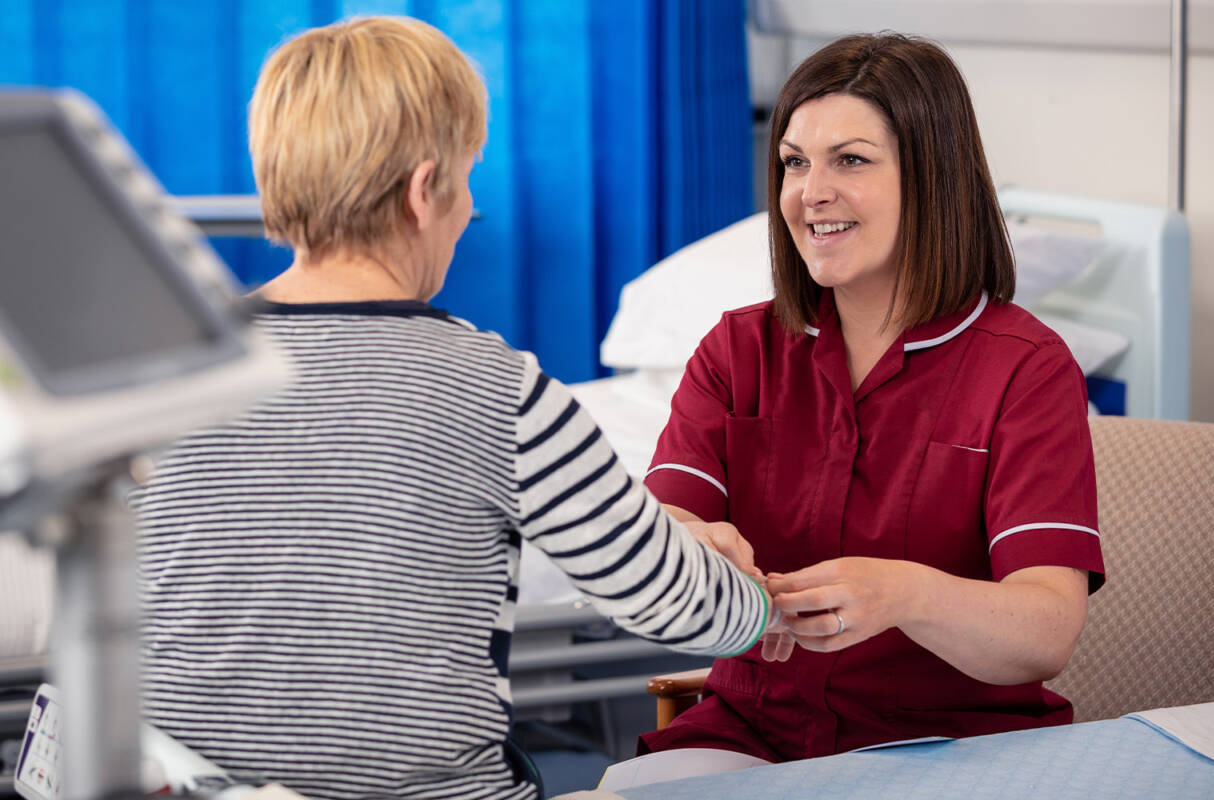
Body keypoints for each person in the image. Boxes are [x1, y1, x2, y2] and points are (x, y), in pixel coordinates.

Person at [132, 17, 772, 800]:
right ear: (421, 190)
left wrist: (650, 532)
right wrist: (751, 595)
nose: (469, 210)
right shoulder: (494, 388)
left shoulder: (160, 371)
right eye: (468, 178)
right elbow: (686, 612)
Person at [637, 33, 1105, 762]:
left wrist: (907, 596)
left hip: (955, 747)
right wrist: (681, 546)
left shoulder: (1027, 370)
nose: (809, 192)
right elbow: (665, 521)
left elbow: (1047, 632)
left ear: (932, 178)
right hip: (754, 733)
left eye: (850, 160)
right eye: (794, 162)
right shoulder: (737, 351)